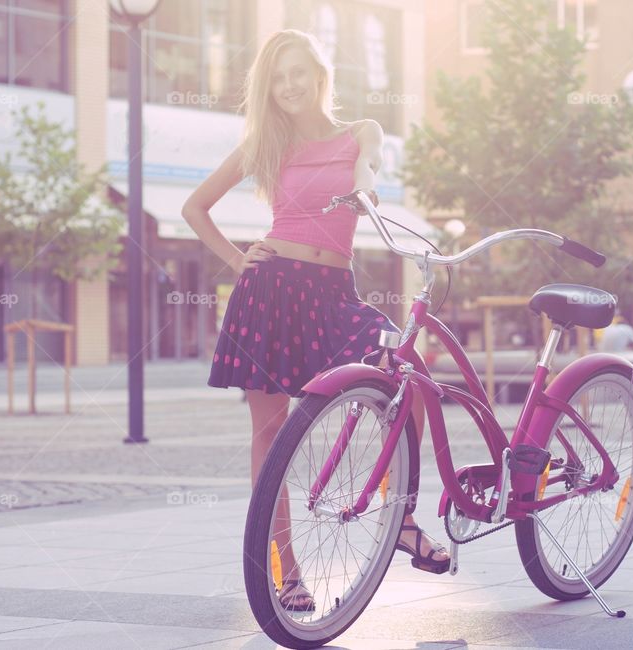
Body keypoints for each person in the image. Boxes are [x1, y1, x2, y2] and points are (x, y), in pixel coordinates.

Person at [181, 29, 449, 612]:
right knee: (270, 435)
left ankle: (398, 515)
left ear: (320, 74)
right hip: (270, 289)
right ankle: (286, 568)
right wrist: (235, 259)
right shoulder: (265, 145)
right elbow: (194, 207)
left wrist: (365, 192)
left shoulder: (360, 133)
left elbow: (368, 171)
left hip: (333, 294)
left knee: (412, 377)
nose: (289, 86)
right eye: (277, 79)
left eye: (297, 72)